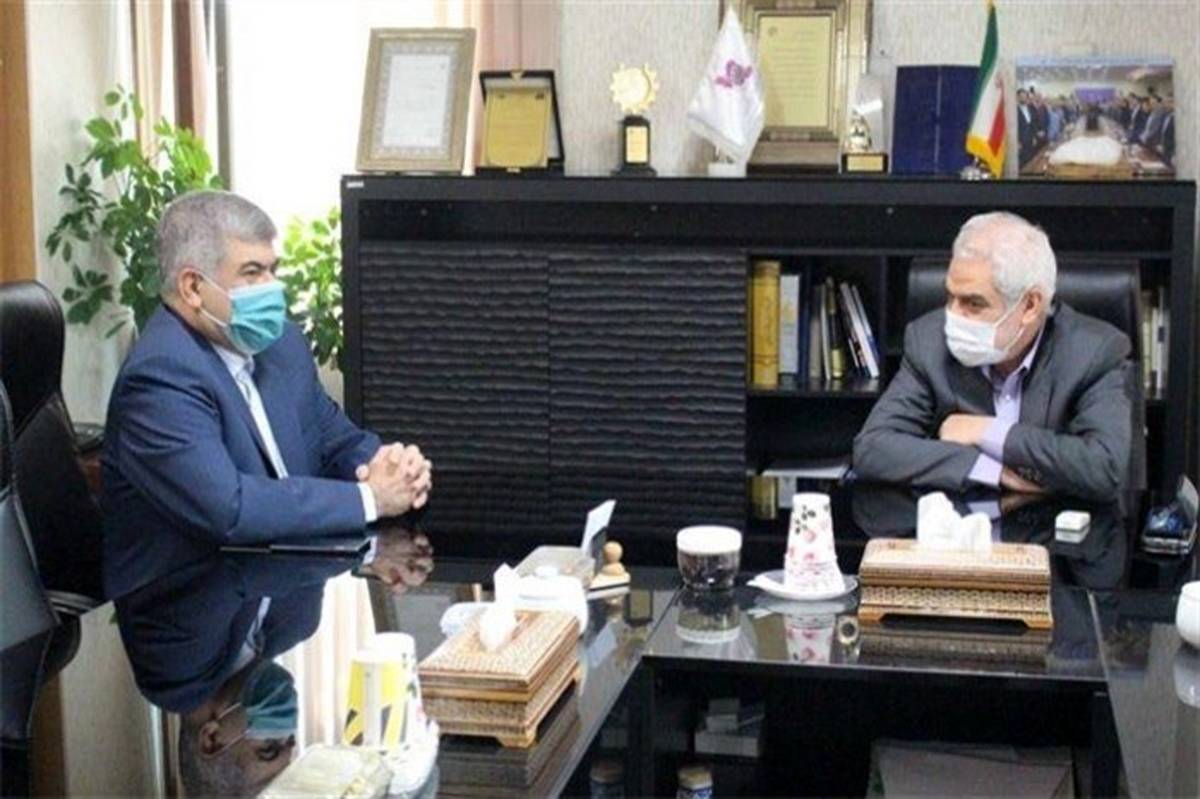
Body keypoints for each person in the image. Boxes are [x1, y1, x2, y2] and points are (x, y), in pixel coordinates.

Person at [102, 190, 432, 599]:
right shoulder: (160, 377)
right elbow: (230, 509)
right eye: (252, 272)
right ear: (193, 287)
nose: (272, 287)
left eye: (273, 269)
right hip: (191, 610)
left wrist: (394, 468)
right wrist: (371, 498)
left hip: (279, 595)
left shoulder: (282, 345)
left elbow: (336, 442)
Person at [852, 212, 1132, 500]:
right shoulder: (929, 342)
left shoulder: (1094, 352)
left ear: (1030, 306)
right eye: (950, 297)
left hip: (1062, 523)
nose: (953, 316)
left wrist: (990, 432)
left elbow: (1105, 467)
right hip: (964, 519)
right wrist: (984, 469)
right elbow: (872, 448)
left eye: (973, 303)